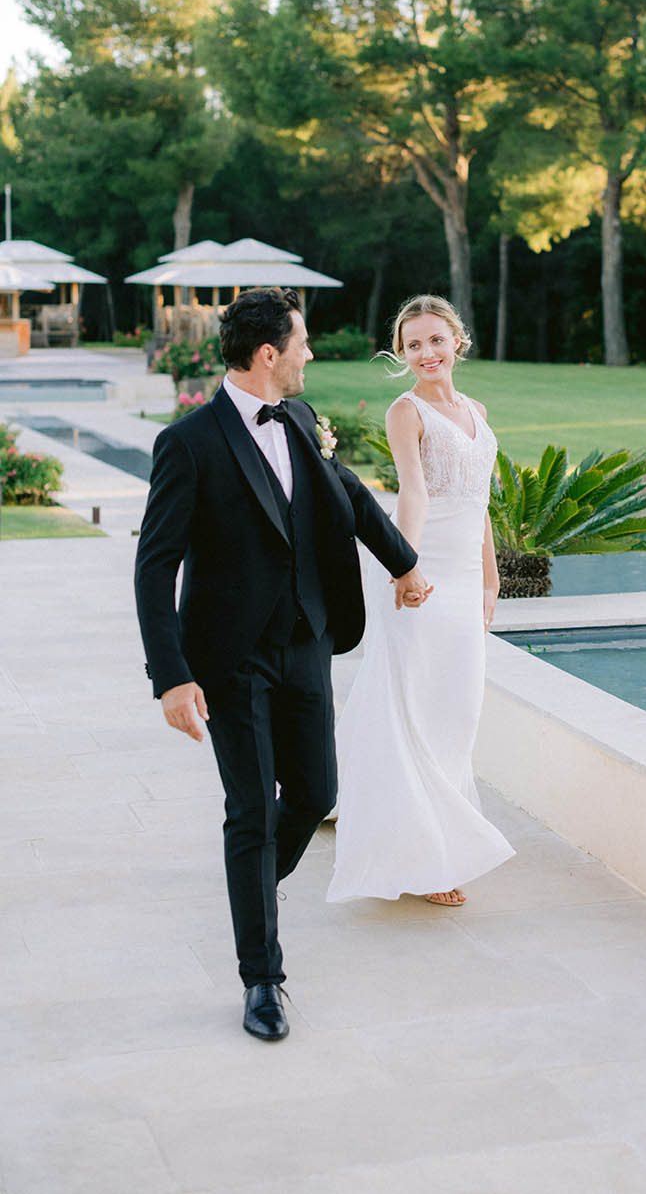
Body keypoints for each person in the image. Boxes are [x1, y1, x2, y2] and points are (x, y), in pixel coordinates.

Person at [134, 287, 430, 1041]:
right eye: (302, 344)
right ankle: (262, 979)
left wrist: (403, 565)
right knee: (248, 813)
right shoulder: (189, 443)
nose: (308, 355)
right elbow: (154, 565)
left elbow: (351, 496)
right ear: (269, 354)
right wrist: (171, 676)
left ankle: (252, 889)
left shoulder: (300, 419)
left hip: (306, 643)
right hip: (229, 661)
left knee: (315, 792)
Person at [327, 294, 515, 908]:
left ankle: (352, 796)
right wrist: (404, 569)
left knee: (458, 710)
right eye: (413, 345)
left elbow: (481, 503)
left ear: (457, 340)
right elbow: (413, 493)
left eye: (435, 340)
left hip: (466, 578)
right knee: (416, 706)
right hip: (422, 573)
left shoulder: (477, 411)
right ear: (401, 353)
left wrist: (491, 581)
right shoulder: (404, 411)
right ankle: (428, 858)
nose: (426, 353)